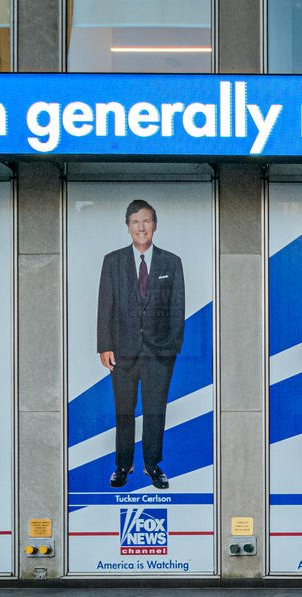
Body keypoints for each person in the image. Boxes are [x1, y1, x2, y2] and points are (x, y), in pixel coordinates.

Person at [97, 199, 185, 490]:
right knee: (124, 410)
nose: (141, 227)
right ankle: (123, 465)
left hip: (160, 352)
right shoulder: (113, 260)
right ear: (128, 227)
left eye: (146, 221)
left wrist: (173, 346)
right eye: (135, 222)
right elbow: (105, 304)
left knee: (155, 410)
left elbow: (177, 307)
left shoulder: (171, 262)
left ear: (154, 225)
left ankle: (152, 464)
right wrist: (104, 346)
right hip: (122, 351)